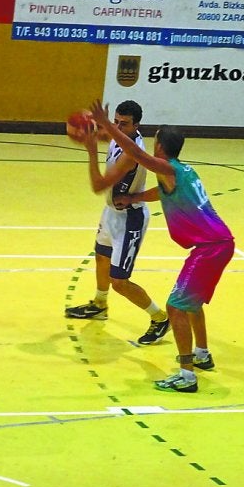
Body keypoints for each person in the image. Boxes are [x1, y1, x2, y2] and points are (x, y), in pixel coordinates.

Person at [90, 100, 234, 393]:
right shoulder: (181, 170)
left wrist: (105, 125)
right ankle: (202, 354)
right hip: (219, 243)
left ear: (159, 146)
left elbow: (134, 153)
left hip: (209, 248)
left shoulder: (165, 167)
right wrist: (135, 197)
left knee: (176, 306)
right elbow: (162, 191)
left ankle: (186, 375)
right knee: (191, 303)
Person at [64, 101, 168, 345]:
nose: (118, 127)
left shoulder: (132, 153)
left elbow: (98, 185)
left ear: (137, 125)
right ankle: (100, 304)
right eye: (116, 122)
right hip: (111, 212)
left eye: (124, 124)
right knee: (101, 257)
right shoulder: (119, 134)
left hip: (130, 219)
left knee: (120, 282)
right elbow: (105, 134)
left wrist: (91, 151)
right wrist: (87, 128)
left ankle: (160, 318)